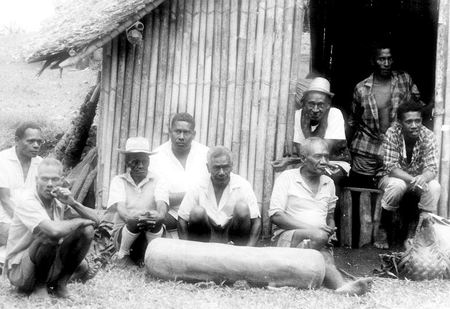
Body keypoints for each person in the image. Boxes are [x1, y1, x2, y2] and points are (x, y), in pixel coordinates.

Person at [269, 137, 372, 295]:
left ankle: (342, 287)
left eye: (326, 156)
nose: (324, 161)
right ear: (303, 159)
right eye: (318, 157)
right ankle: (283, 273)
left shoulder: (328, 183)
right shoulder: (287, 178)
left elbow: (329, 216)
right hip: (288, 238)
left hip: (317, 240)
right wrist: (314, 230)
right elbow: (276, 216)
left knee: (326, 258)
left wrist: (331, 231)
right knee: (318, 238)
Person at [4, 158, 99, 299]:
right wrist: (80, 221)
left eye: (54, 179)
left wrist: (73, 203)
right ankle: (39, 289)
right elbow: (53, 231)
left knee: (87, 231)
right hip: (21, 270)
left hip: (47, 263)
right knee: (50, 235)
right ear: (36, 180)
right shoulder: (27, 200)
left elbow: (97, 220)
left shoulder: (59, 200)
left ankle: (61, 285)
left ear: (61, 181)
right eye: (45, 179)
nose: (49, 184)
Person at [349, 42, 423, 188]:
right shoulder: (361, 88)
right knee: (362, 190)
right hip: (366, 149)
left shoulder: (404, 80)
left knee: (395, 189)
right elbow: (354, 121)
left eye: (389, 59)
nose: (386, 63)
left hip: (393, 149)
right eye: (381, 59)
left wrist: (434, 104)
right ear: (373, 61)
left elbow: (416, 107)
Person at [376, 101, 440, 249]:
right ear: (400, 122)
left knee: (434, 186)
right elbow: (391, 167)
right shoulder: (393, 133)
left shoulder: (428, 136)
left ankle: (415, 233)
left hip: (417, 180)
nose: (414, 125)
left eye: (417, 121)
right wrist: (413, 179)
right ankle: (383, 228)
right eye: (409, 121)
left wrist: (423, 178)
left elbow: (432, 167)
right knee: (397, 185)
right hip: (393, 178)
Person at [177, 146, 261, 246]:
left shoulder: (242, 185)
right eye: (216, 167)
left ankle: (238, 250)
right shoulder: (198, 185)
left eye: (225, 167)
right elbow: (182, 218)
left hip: (233, 236)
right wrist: (186, 248)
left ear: (232, 166)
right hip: (206, 236)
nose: (221, 172)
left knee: (242, 208)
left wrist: (248, 248)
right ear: (208, 167)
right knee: (197, 212)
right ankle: (198, 251)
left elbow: (256, 221)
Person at [272, 77, 350, 184]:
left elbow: (322, 152)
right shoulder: (298, 115)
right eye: (311, 104)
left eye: (320, 105)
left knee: (323, 175)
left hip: (334, 162)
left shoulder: (334, 114)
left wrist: (290, 161)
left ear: (328, 105)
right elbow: (301, 150)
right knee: (290, 177)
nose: (315, 109)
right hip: (308, 163)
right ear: (304, 103)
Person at [107, 137, 169, 267]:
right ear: (127, 162)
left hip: (149, 231)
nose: (140, 166)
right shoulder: (119, 181)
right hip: (126, 232)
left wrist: (156, 216)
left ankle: (153, 257)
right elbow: (122, 210)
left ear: (149, 162)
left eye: (144, 161)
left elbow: (162, 207)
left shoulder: (159, 180)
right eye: (135, 161)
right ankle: (122, 255)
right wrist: (135, 217)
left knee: (156, 219)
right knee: (134, 219)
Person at [149, 113, 209, 234]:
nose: (181, 136)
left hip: (203, 212)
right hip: (171, 214)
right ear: (170, 132)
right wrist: (193, 194)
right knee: (150, 223)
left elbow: (212, 192)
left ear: (193, 134)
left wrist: (175, 196)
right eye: (177, 131)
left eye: (186, 132)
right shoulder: (157, 156)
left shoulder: (205, 154)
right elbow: (156, 197)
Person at [0, 122, 43, 246]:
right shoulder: (2, 160)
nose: (36, 146)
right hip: (4, 219)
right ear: (17, 140)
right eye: (31, 141)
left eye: (39, 142)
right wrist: (27, 224)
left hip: (29, 220)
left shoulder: (40, 163)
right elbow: (5, 199)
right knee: (40, 240)